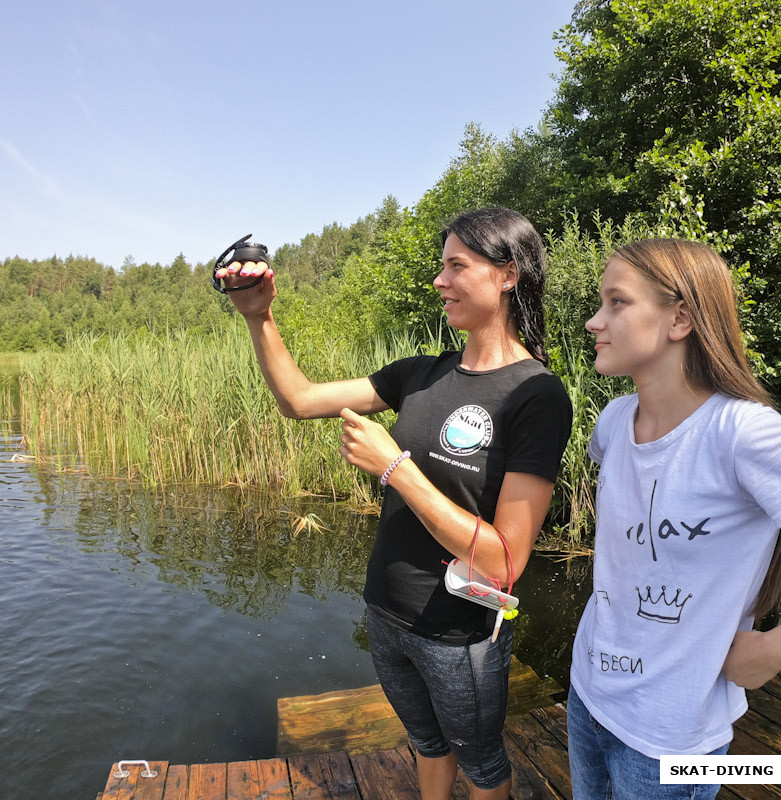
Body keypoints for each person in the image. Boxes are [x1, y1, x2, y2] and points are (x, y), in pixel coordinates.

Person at [215, 207, 573, 800]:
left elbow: (504, 562)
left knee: (482, 767)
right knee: (427, 745)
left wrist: (396, 468)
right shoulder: (420, 375)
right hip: (385, 613)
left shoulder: (536, 395)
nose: (440, 280)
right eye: (440, 266)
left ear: (508, 274)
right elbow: (299, 400)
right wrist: (260, 317)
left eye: (457, 266)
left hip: (459, 635)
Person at [567, 237, 781, 800]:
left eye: (617, 302)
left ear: (680, 318)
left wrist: (775, 650)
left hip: (673, 739)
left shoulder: (744, 434)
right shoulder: (614, 421)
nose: (595, 321)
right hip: (587, 696)